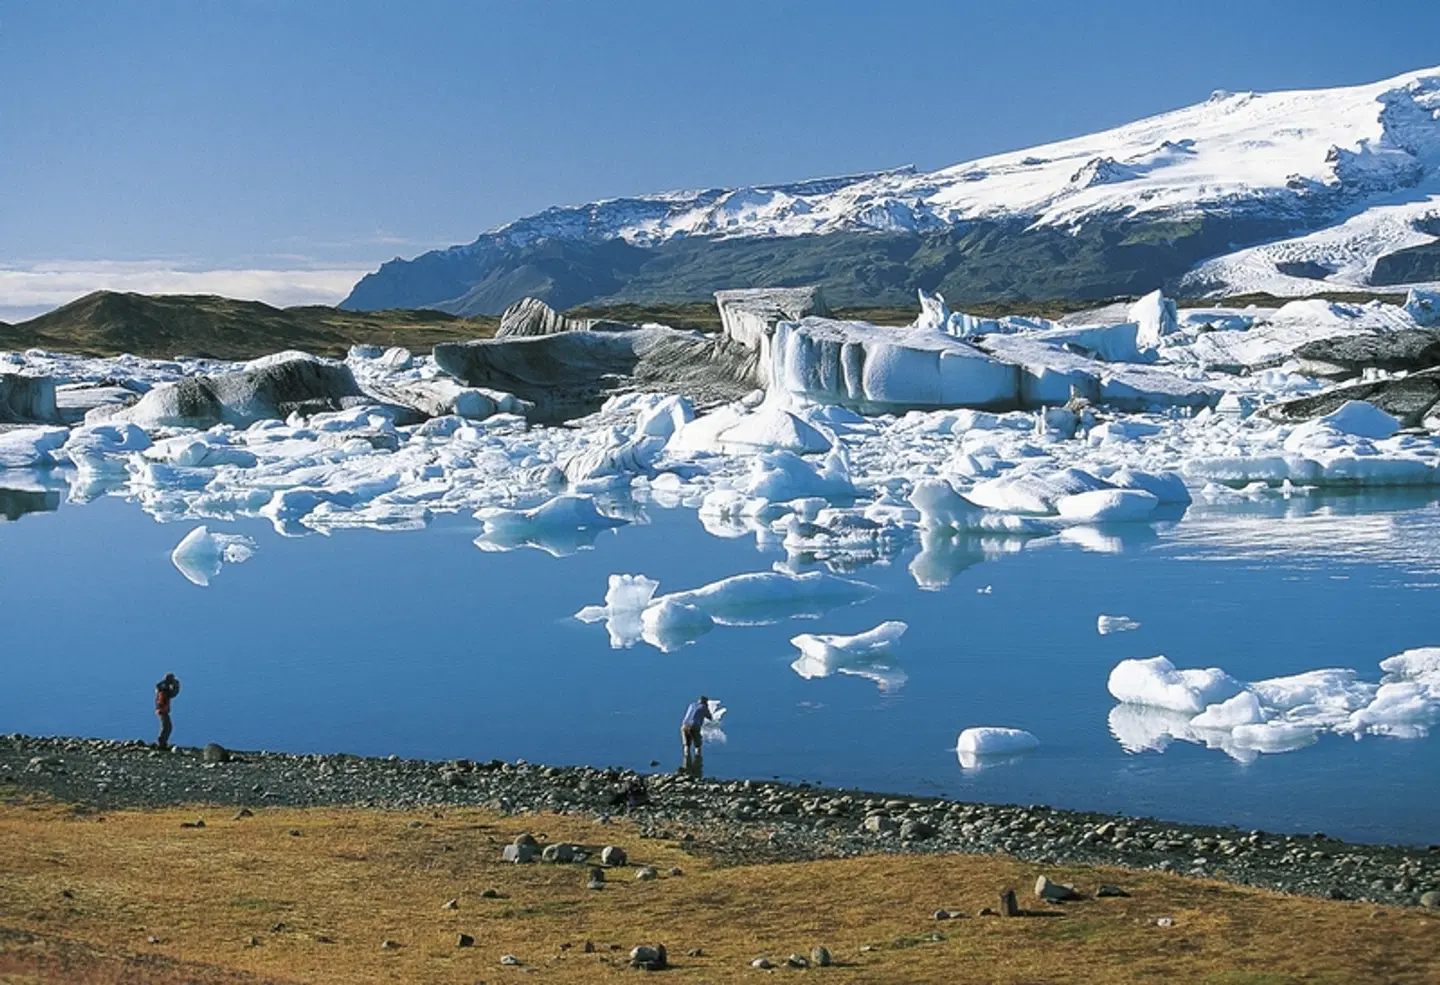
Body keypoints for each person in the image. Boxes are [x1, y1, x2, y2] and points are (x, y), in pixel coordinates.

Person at [681, 695, 712, 770]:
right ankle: (698, 763)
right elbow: (710, 717)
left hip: (684, 726)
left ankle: (686, 765)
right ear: (705, 703)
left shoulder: (692, 705)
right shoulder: (703, 707)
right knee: (697, 746)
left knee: (687, 745)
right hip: (694, 726)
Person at [154, 673, 181, 750]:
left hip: (161, 710)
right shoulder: (165, 689)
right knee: (167, 727)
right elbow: (172, 694)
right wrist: (176, 686)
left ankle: (162, 743)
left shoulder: (162, 687)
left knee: (167, 727)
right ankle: (161, 743)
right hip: (163, 711)